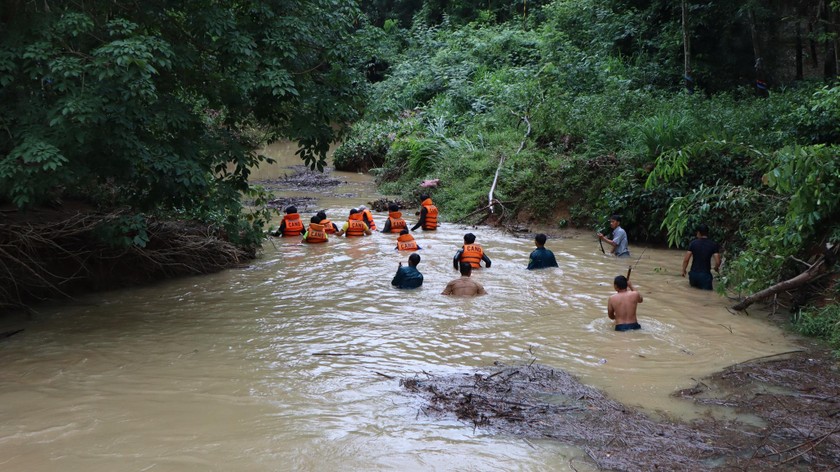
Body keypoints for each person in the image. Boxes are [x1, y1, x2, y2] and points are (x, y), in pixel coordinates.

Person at [681, 223, 721, 290]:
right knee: (707, 296)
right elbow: (718, 261)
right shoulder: (713, 245)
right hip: (705, 276)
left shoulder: (693, 243)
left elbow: (686, 260)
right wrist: (716, 268)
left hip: (693, 275)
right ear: (707, 233)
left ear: (699, 232)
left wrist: (683, 270)